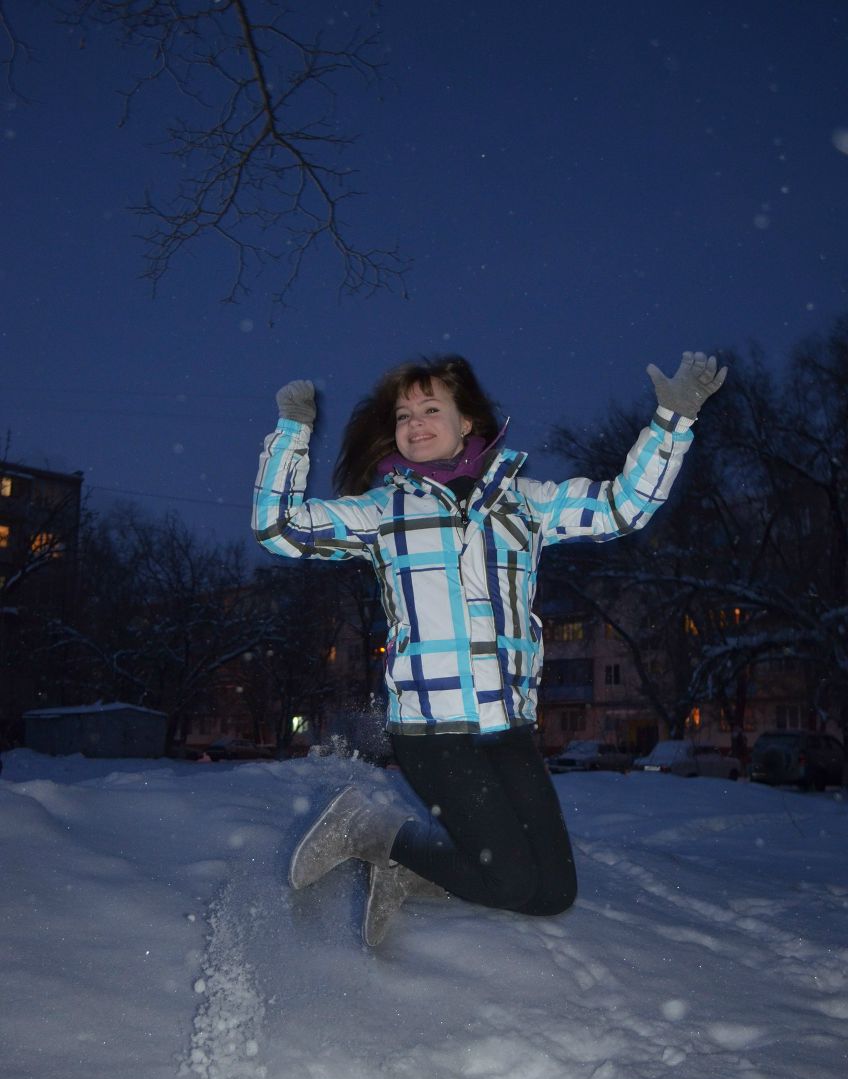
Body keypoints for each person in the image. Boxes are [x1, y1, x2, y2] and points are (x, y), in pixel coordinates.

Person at [252, 351, 727, 945]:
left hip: (509, 727)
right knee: (508, 881)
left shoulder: (525, 502)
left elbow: (619, 508)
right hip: (432, 729)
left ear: (468, 421)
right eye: (403, 416)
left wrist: (673, 421)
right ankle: (368, 830)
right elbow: (279, 529)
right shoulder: (383, 512)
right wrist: (293, 431)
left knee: (551, 893)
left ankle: (406, 869)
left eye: (431, 409)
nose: (415, 424)